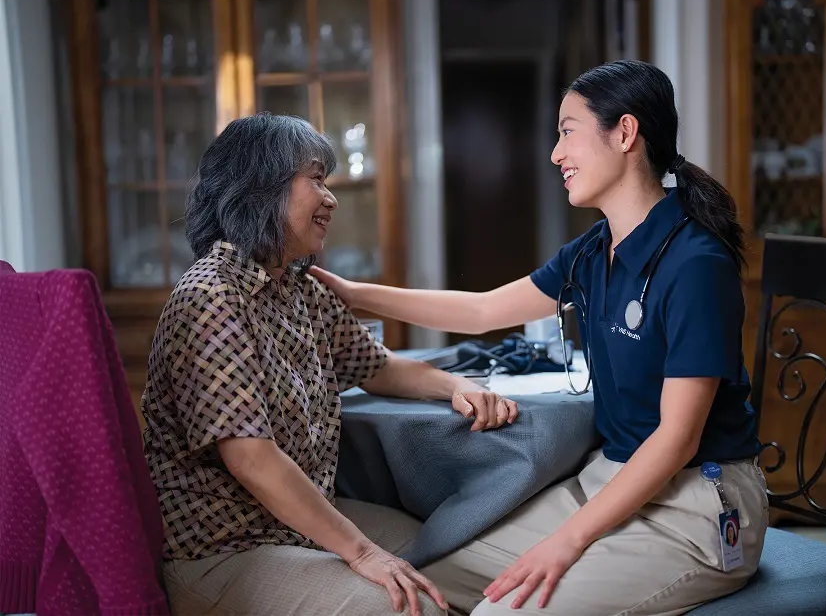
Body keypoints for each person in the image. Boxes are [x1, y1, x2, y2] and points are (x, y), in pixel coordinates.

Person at [309, 60, 769, 615]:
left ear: (624, 133)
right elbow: (482, 311)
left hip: (697, 507)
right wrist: (351, 293)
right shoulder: (596, 250)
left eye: (567, 131)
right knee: (423, 580)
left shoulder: (695, 263)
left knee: (501, 611)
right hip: (611, 482)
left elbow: (677, 440)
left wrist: (567, 540)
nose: (556, 154)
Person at [140, 112, 521, 616]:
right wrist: (362, 551)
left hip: (293, 525)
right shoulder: (210, 297)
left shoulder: (300, 286)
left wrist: (455, 386)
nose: (331, 198)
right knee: (409, 606)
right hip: (226, 550)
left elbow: (379, 367)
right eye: (316, 179)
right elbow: (250, 457)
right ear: (264, 187)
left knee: (452, 560)